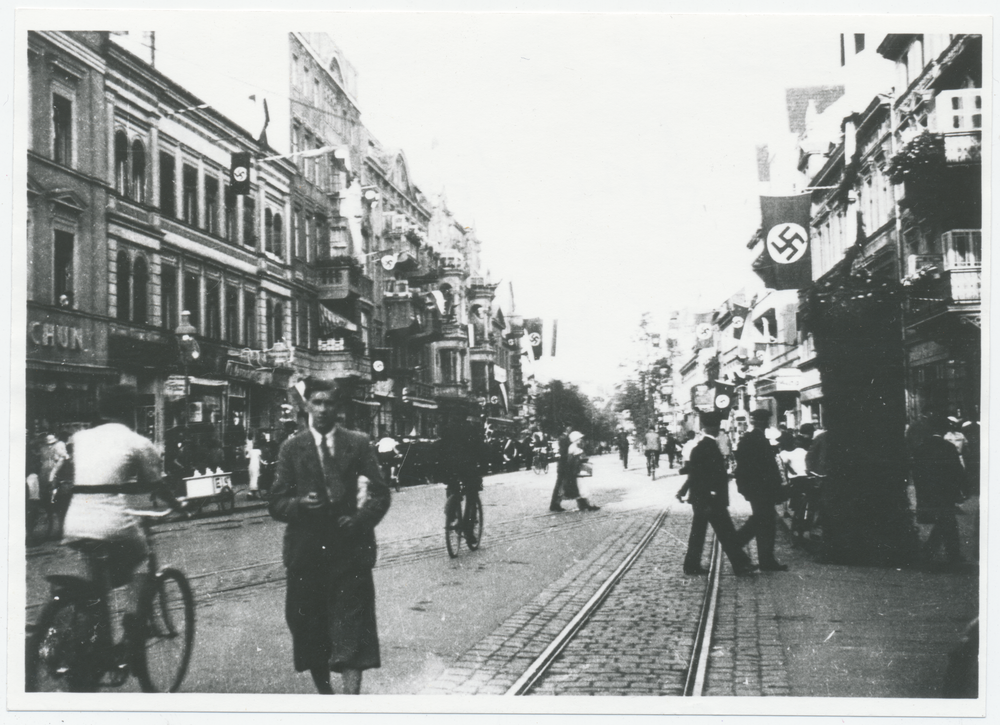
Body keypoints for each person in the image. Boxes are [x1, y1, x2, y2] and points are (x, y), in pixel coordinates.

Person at [268, 378, 391, 695]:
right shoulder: (292, 448)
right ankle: (326, 697)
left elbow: (379, 492)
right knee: (309, 629)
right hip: (306, 553)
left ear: (338, 408)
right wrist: (299, 504)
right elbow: (277, 502)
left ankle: (349, 705)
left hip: (349, 549)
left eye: (329, 403)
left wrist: (360, 520)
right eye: (317, 402)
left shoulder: (358, 443)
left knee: (353, 628)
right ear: (307, 405)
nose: (323, 409)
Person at [60, 385, 183, 645]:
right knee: (141, 558)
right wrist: (180, 507)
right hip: (111, 520)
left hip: (75, 520)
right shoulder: (136, 442)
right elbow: (156, 484)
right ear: (131, 411)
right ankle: (132, 621)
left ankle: (93, 647)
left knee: (96, 588)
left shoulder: (80, 438)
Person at [678, 412, 757, 576]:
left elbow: (694, 474)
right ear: (709, 427)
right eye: (715, 426)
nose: (718, 429)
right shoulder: (708, 447)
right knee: (724, 532)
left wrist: (683, 490)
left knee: (707, 532)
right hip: (710, 499)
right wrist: (709, 496)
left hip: (705, 498)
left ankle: (693, 565)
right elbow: (703, 476)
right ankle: (740, 564)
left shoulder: (703, 446)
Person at [734, 409, 788, 572]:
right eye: (764, 421)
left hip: (757, 489)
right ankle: (736, 544)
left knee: (765, 521)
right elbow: (762, 469)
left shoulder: (749, 439)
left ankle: (766, 560)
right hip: (761, 489)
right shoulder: (757, 440)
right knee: (763, 521)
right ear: (763, 422)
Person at [911, 414, 966, 567]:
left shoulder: (921, 448)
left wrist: (921, 491)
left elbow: (917, 473)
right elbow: (957, 471)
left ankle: (936, 554)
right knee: (947, 521)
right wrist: (962, 489)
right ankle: (948, 555)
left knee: (945, 522)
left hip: (928, 491)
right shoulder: (948, 447)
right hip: (946, 492)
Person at [438, 415, 486, 545]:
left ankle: (452, 511)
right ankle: (468, 531)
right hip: (467, 466)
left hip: (449, 466)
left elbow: (440, 447)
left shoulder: (446, 429)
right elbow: (480, 449)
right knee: (472, 494)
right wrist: (483, 465)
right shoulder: (471, 429)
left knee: (452, 486)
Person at [563, 431, 600, 512]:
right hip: (576, 470)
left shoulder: (576, 446)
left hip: (578, 470)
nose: (580, 440)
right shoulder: (573, 447)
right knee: (582, 487)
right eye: (579, 438)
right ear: (575, 439)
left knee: (581, 487)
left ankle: (584, 505)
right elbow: (571, 460)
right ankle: (587, 505)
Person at [549, 426, 574, 512]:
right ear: (567, 429)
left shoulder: (563, 438)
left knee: (560, 484)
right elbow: (564, 452)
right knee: (561, 485)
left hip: (562, 465)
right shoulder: (564, 438)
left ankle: (555, 504)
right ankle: (555, 504)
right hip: (564, 465)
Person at [246, 434, 263, 500]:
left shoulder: (251, 451)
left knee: (251, 478)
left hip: (250, 466)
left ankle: (252, 493)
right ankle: (251, 493)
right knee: (255, 479)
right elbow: (261, 459)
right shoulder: (259, 451)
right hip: (256, 466)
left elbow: (247, 458)